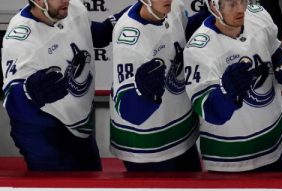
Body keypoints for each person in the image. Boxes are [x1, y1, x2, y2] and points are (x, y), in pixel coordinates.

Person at [1, 0, 125, 171]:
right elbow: (13, 101)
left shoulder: (73, 9)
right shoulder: (21, 38)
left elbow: (95, 35)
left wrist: (131, 15)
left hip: (79, 125)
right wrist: (28, 92)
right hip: (42, 132)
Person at [184, 0, 282, 172]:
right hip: (230, 159)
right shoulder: (199, 49)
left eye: (243, 1)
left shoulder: (258, 16)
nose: (241, 9)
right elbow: (207, 109)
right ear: (214, 7)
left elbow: (275, 55)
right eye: (232, 4)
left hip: (274, 145)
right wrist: (226, 94)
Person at [110, 0, 201, 172]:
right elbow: (129, 110)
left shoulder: (173, 7)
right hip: (147, 146)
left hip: (181, 134)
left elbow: (186, 32)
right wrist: (142, 94)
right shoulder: (130, 39)